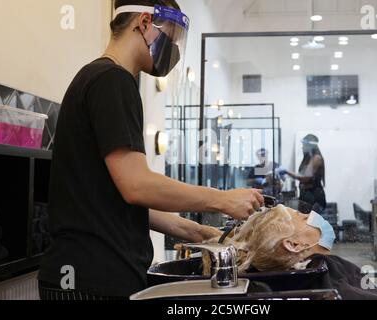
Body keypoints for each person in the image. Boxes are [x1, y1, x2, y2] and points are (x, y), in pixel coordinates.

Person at [38, 0, 264, 300]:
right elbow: (137, 186)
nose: (173, 49)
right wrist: (223, 200)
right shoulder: (112, 80)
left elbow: (121, 201)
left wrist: (200, 232)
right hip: (89, 280)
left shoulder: (99, 79)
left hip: (82, 276)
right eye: (169, 37)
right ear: (145, 23)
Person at [205, 205, 377, 300]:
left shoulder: (264, 279)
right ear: (293, 244)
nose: (312, 215)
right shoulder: (332, 276)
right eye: (303, 216)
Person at [283, 135, 326, 213]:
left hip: (314, 198)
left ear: (310, 145)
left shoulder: (316, 158)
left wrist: (286, 171)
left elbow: (305, 177)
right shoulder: (309, 158)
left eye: (304, 144)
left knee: (310, 223)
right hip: (306, 196)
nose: (302, 147)